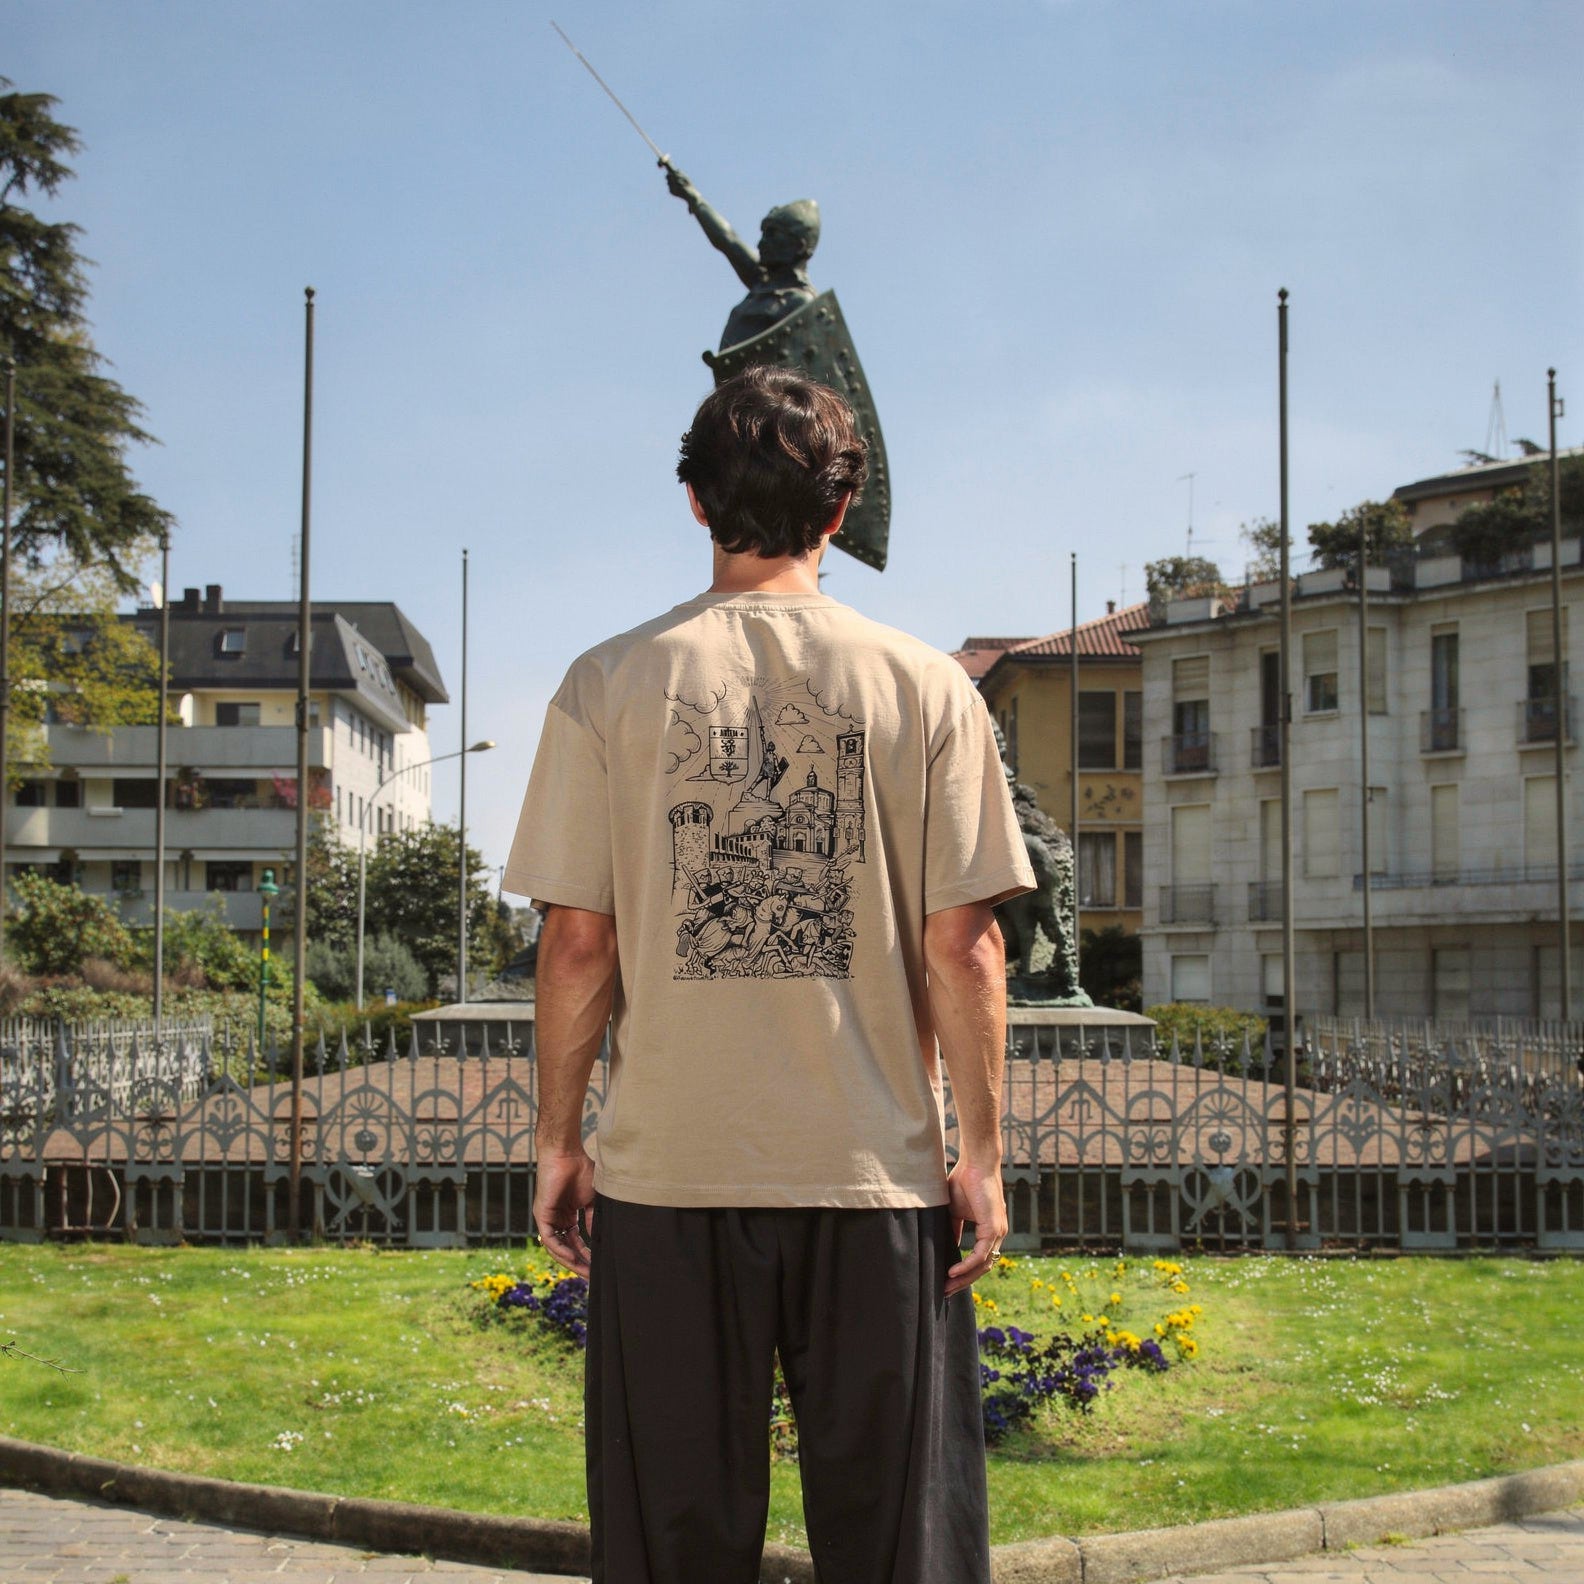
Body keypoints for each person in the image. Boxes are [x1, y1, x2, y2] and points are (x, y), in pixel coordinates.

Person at [505, 365, 1034, 1584]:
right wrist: (982, 1152)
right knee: (901, 1548)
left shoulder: (606, 683)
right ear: (840, 511)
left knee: (670, 1543)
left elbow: (578, 942)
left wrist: (558, 1140)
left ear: (695, 501)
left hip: (670, 1180)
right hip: (876, 1178)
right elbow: (964, 944)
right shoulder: (927, 686)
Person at [663, 162, 820, 349]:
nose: (760, 243)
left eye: (772, 235)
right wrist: (692, 196)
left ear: (799, 247)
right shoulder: (763, 283)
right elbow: (728, 239)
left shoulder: (802, 304)